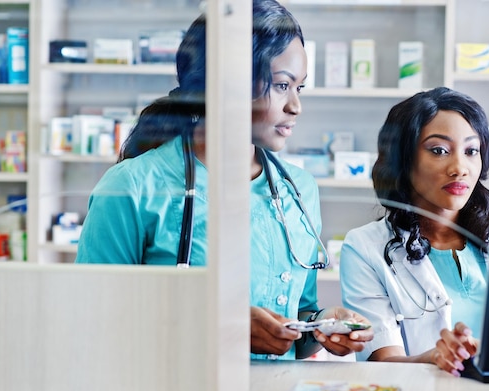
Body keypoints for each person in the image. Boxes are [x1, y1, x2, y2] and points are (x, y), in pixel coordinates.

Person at [76, 0, 372, 361]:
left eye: (300, 88)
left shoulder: (299, 190)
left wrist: (322, 325)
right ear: (225, 84)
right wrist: (220, 327)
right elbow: (92, 322)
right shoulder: (131, 188)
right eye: (282, 85)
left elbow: (299, 316)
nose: (296, 106)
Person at [339, 87, 489, 376]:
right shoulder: (364, 247)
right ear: (403, 159)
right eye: (439, 150)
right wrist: (434, 357)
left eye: (471, 150)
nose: (460, 167)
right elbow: (382, 362)